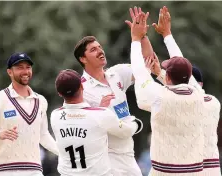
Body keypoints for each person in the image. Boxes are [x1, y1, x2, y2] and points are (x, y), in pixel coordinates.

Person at [73, 7, 154, 176]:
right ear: (82, 58)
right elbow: (79, 129)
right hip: (104, 159)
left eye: (99, 47)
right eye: (93, 50)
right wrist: (100, 111)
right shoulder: (81, 88)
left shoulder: (117, 73)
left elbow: (148, 65)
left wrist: (141, 37)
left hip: (128, 156)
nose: (100, 51)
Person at [130, 7, 206, 175]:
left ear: (168, 78)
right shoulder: (199, 94)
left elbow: (139, 72)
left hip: (165, 172)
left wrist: (136, 38)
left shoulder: (160, 96)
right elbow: (180, 63)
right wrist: (167, 35)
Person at [151, 6, 222, 175]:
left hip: (190, 169)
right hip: (210, 170)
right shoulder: (213, 102)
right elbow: (181, 84)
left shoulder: (193, 100)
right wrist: (160, 73)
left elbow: (179, 87)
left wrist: (166, 36)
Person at [0, 53, 59, 176]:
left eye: (28, 67)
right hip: (3, 171)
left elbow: (43, 135)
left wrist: (63, 153)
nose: (25, 71)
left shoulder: (40, 100)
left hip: (34, 170)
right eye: (20, 67)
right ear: (9, 72)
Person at [50, 69, 143, 176]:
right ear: (82, 86)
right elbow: (126, 132)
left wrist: (99, 109)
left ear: (59, 93)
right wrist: (136, 123)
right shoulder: (101, 114)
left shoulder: (55, 116)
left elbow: (79, 122)